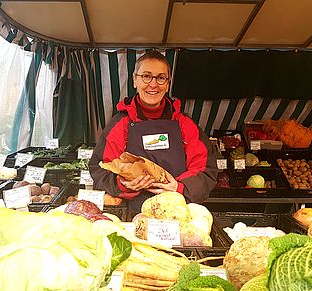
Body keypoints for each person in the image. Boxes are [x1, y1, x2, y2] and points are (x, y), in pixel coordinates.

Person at [89, 50, 218, 212]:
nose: (153, 84)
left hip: (176, 211)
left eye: (160, 78)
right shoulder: (120, 124)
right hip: (134, 214)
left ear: (167, 83)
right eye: (146, 76)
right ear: (135, 80)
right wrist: (123, 184)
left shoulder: (184, 123)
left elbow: (206, 169)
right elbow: (101, 168)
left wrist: (179, 187)